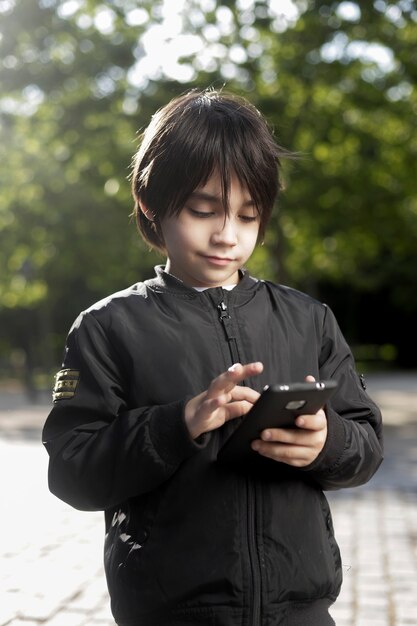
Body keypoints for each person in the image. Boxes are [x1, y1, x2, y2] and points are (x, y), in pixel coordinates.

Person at [42, 89, 383, 626]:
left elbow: (366, 444)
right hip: (172, 612)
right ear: (152, 201)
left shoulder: (307, 318)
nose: (227, 235)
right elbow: (71, 470)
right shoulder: (108, 327)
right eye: (204, 211)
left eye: (248, 216)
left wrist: (327, 441)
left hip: (300, 611)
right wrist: (178, 424)